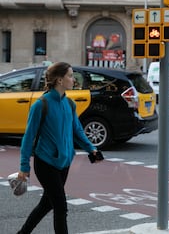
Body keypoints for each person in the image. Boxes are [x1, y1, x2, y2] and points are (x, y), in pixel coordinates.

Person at [16, 62, 102, 234]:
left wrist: (91, 149)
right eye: (70, 76)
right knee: (61, 207)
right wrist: (24, 166)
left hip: (64, 162)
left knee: (47, 204)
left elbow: (77, 129)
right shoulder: (41, 105)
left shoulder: (69, 104)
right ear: (59, 80)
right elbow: (28, 137)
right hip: (46, 162)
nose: (73, 79)